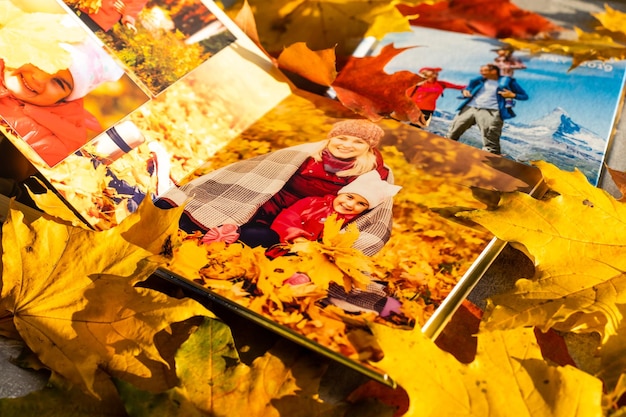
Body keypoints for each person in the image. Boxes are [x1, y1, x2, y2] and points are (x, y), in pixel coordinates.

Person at [156, 119, 396, 256]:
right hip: (264, 202)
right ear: (331, 137)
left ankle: (217, 242)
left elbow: (373, 209)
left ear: (368, 148)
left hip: (299, 220)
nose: (347, 145)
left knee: (258, 239)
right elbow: (260, 171)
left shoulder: (373, 174)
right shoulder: (308, 154)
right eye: (342, 138)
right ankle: (168, 216)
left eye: (358, 142)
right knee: (194, 214)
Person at [0, 33, 125, 167]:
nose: (40, 79)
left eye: (59, 83)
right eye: (43, 61)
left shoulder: (50, 143)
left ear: (64, 99)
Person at [266, 170, 402, 252]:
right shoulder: (312, 202)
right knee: (257, 235)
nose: (350, 204)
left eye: (361, 204)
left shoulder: (354, 222)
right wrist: (296, 237)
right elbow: (288, 217)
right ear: (340, 193)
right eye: (349, 197)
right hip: (284, 242)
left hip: (314, 255)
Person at [446, 63, 528, 155]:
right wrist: (465, 91)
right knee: (453, 131)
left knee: (490, 139)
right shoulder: (478, 81)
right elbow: (467, 89)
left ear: (494, 71)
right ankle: (443, 150)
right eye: (481, 71)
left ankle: (491, 160)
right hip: (470, 108)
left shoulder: (508, 82)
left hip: (491, 111)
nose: (481, 73)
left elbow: (524, 96)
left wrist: (512, 95)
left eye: (484, 71)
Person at [74, 0, 149, 34]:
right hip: (86, 5)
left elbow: (135, 7)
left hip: (103, 16)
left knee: (80, 33)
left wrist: (128, 20)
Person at [492, 46, 526, 110]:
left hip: (506, 75)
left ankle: (509, 101)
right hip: (497, 76)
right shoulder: (497, 59)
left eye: (499, 50)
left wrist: (509, 66)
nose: (497, 52)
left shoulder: (511, 58)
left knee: (503, 85)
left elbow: (521, 66)